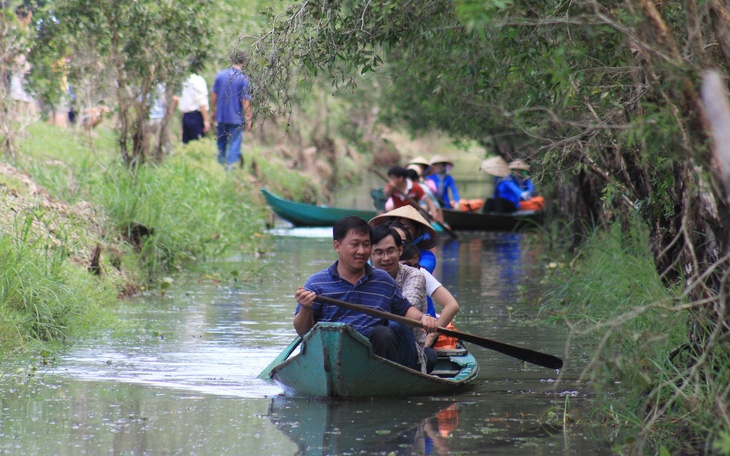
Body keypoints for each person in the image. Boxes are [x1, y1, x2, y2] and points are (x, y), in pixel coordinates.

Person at [294, 216, 439, 371]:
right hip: (329, 356)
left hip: (371, 356)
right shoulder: (316, 283)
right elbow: (304, 332)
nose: (362, 251)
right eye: (355, 245)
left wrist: (423, 318)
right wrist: (306, 308)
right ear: (337, 246)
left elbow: (405, 308)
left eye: (366, 244)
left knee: (384, 333)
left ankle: (382, 381)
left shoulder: (383, 280)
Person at [370, 225, 437, 373]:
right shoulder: (363, 276)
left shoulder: (414, 275)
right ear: (370, 255)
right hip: (371, 344)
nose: (386, 258)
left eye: (390, 251)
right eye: (379, 252)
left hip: (407, 345)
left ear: (400, 251)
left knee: (393, 327)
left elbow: (405, 311)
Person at [400, 241, 460, 349]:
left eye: (415, 266)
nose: (412, 271)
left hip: (419, 334)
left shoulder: (420, 273)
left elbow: (452, 305)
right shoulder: (378, 273)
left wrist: (431, 337)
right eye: (407, 265)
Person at [210, 50, 252, 170]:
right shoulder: (243, 78)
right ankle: (230, 172)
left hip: (221, 116)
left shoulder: (221, 75)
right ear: (244, 62)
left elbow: (214, 94)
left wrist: (212, 111)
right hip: (236, 118)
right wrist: (249, 118)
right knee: (234, 145)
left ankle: (219, 168)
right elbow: (245, 100)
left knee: (221, 143)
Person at [370, 205, 439, 273]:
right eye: (396, 225)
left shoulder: (426, 257)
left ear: (418, 232)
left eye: (405, 227)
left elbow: (421, 272)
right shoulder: (377, 255)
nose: (399, 230)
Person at [177, 70, 210, 144]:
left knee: (186, 143)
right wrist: (206, 120)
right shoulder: (198, 80)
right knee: (197, 142)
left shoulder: (183, 80)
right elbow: (201, 102)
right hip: (196, 116)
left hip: (185, 115)